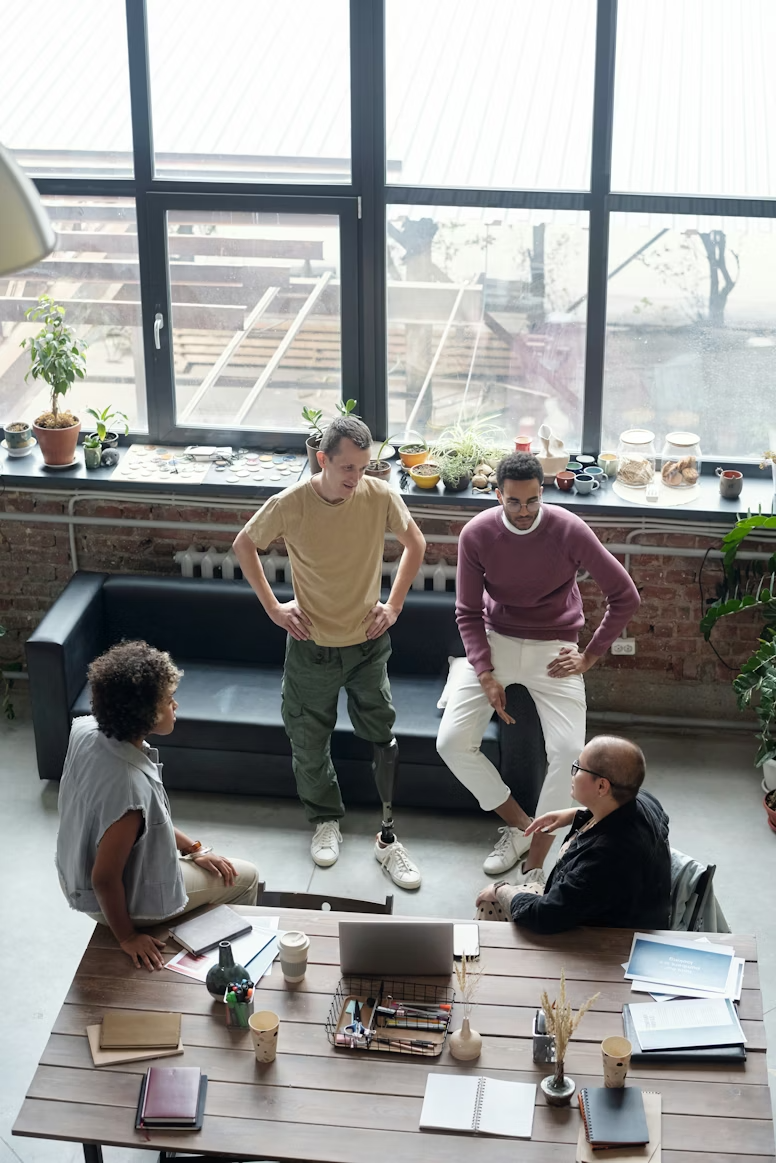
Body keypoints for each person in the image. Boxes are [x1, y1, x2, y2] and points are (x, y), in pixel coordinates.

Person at [232, 415, 427, 889]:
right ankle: (325, 820)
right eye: (346, 468)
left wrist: (394, 606)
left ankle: (387, 834)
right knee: (308, 739)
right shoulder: (292, 503)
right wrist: (276, 609)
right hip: (311, 647)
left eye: (363, 468)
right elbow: (244, 545)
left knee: (381, 732)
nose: (355, 478)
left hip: (367, 645)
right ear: (322, 459)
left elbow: (415, 544)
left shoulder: (379, 496)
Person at [437, 452, 640, 881]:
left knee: (570, 754)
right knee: (451, 743)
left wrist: (590, 655)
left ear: (542, 493)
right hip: (496, 641)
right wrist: (485, 672)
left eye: (532, 501)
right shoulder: (477, 534)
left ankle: (534, 866)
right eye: (513, 502)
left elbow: (625, 595)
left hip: (555, 648)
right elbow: (468, 613)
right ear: (498, 496)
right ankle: (521, 827)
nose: (524, 511)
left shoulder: (567, 528)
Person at [56, 641, 260, 972]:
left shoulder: (84, 729)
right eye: (168, 700)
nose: (175, 704)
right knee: (246, 877)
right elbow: (105, 878)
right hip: (113, 901)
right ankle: (224, 968)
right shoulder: (130, 791)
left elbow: (154, 824)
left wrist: (195, 849)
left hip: (71, 874)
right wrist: (127, 937)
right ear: (145, 713)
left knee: (213, 865)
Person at [475, 736, 670, 933]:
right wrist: (574, 814)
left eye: (578, 767)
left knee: (489, 902)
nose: (573, 773)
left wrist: (500, 889)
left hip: (607, 941)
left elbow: (545, 915)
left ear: (602, 786)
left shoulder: (605, 857)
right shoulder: (643, 800)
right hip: (622, 911)